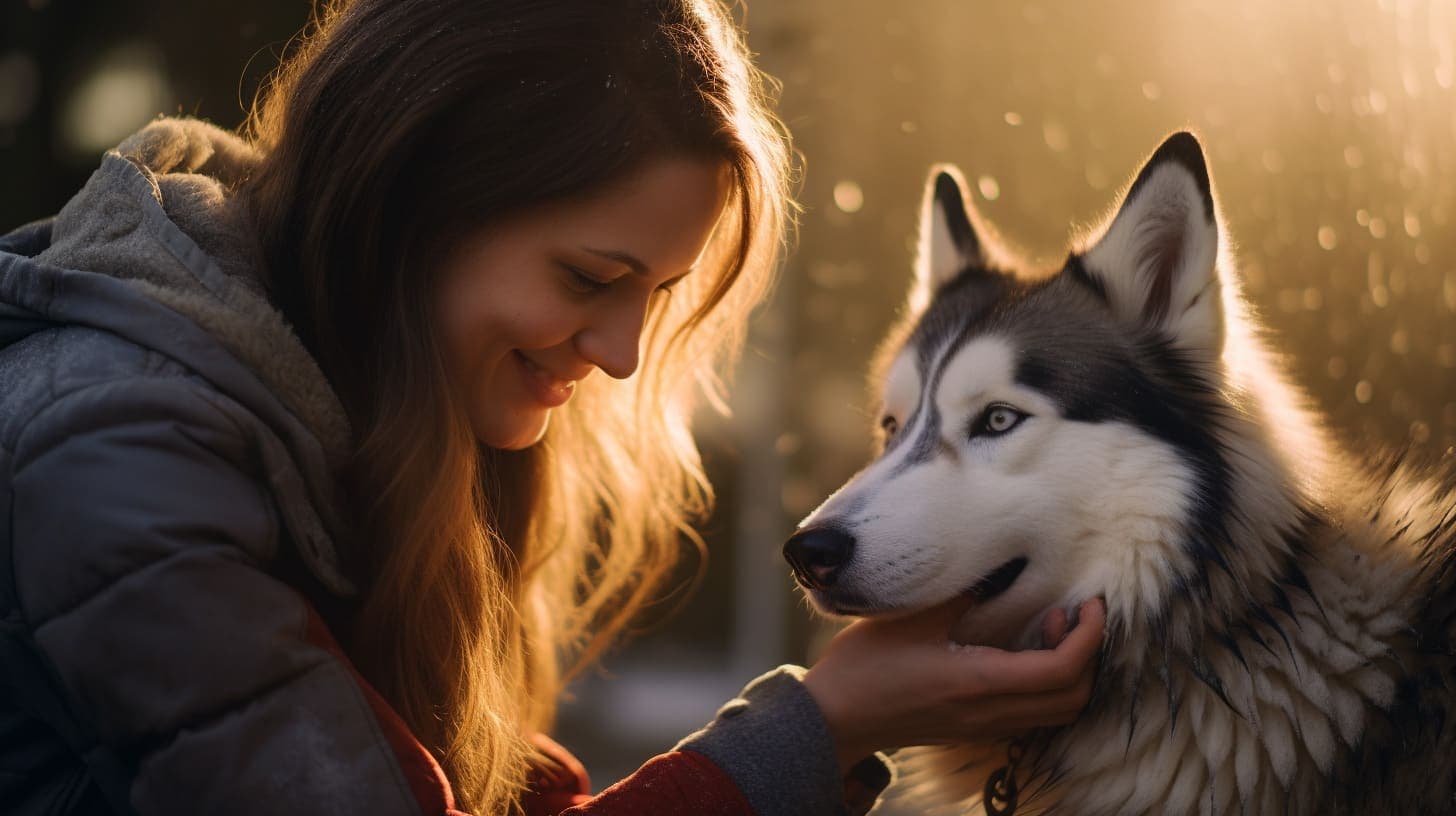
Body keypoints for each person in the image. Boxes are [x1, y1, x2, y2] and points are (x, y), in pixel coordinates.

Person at [0, 1, 1106, 814]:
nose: (624, 356)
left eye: (656, 297)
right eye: (587, 279)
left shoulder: (337, 420)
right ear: (412, 203)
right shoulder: (123, 454)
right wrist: (831, 721)